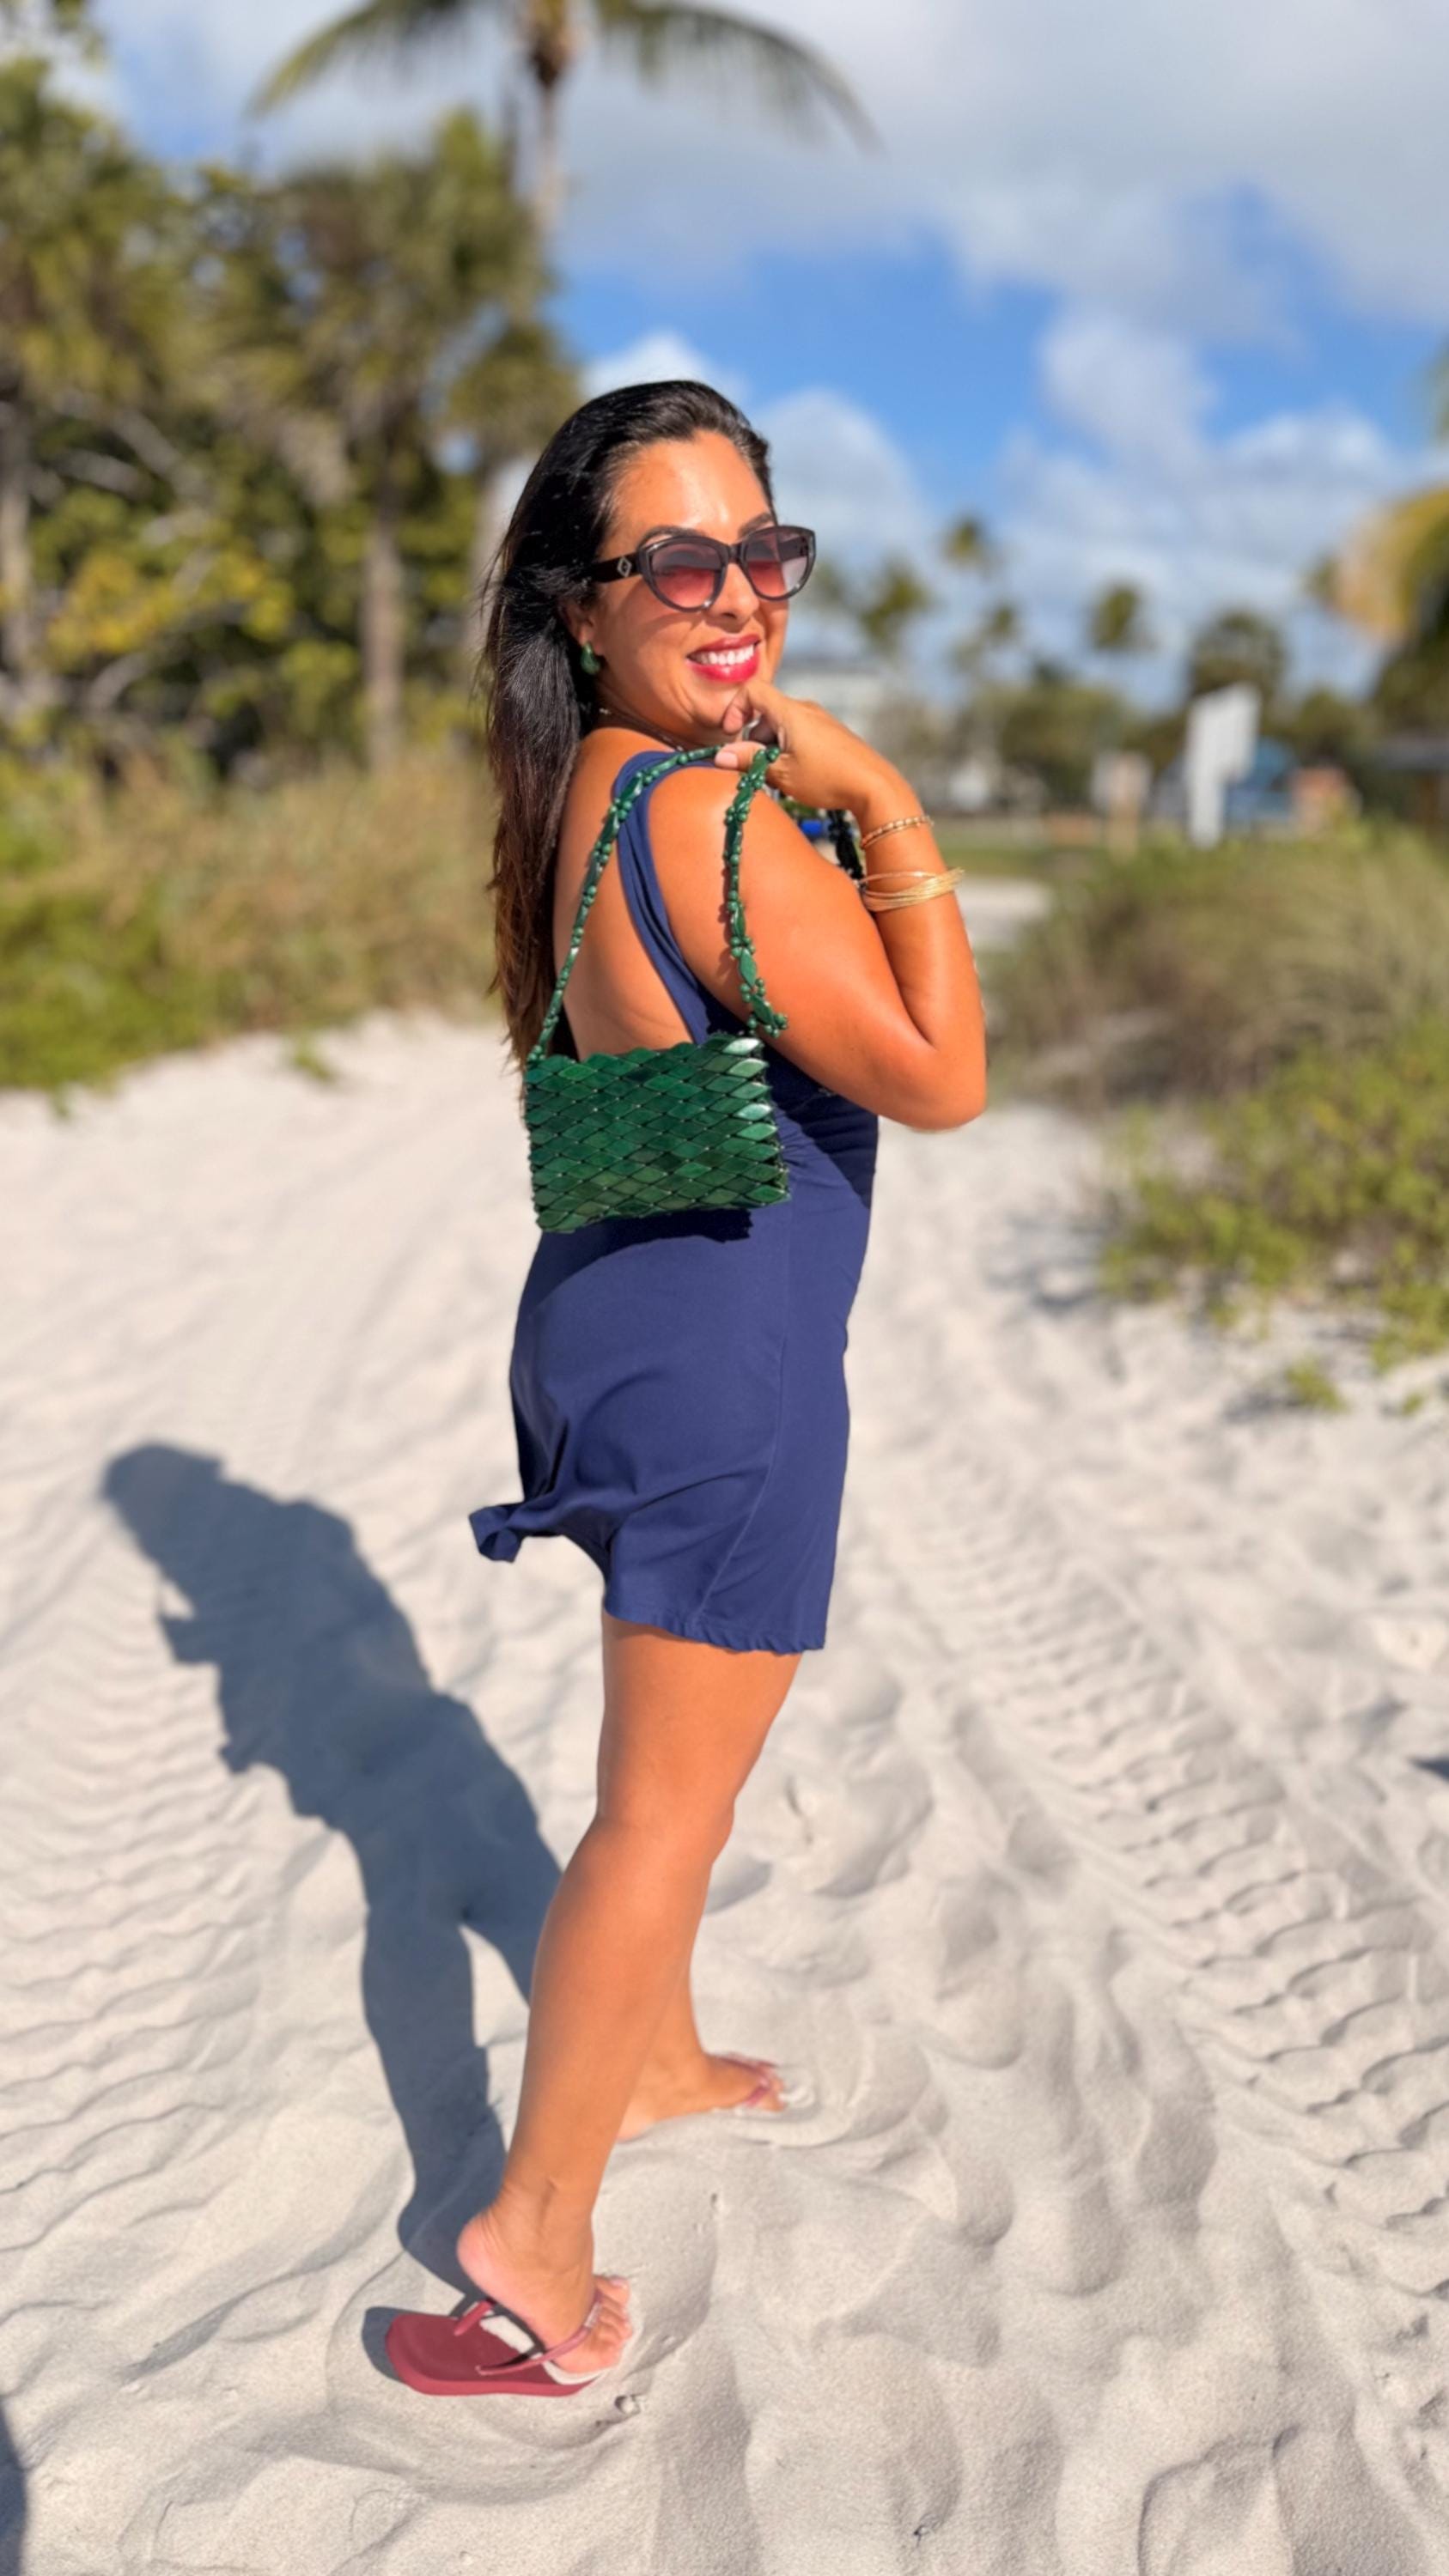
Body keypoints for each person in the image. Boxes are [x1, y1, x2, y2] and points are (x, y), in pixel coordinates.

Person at [387, 379, 985, 2397]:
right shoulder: (715, 813)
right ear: (583, 603)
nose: (735, 596)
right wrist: (878, 798)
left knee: (658, 1777)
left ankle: (648, 2056)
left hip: (613, 1319)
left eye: (762, 552)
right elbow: (942, 1075)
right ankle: (529, 2243)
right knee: (662, 1812)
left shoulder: (587, 787)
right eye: (676, 561)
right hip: (724, 1360)